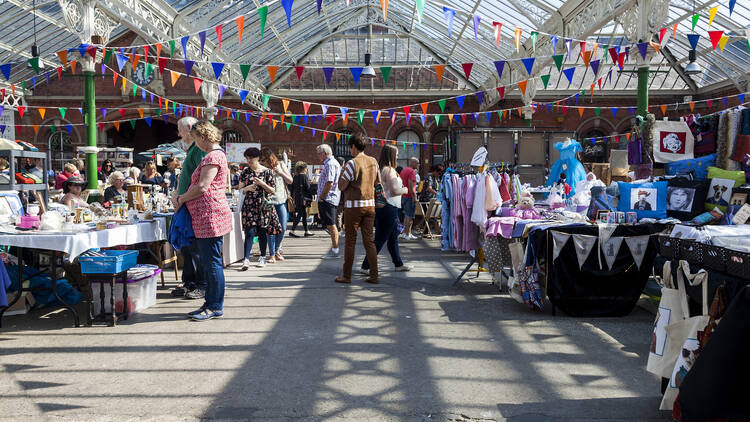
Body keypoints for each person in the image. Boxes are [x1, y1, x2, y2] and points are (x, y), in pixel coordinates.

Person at [174, 121, 232, 321]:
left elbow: (203, 187)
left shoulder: (213, 156)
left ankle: (215, 305)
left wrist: (181, 198)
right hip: (206, 216)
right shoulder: (213, 156)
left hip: (210, 216)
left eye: (196, 138)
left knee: (212, 263)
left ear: (204, 137)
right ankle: (210, 303)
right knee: (209, 263)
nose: (195, 142)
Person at [360, 145, 412, 275]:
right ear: (391, 155)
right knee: (380, 239)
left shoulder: (384, 169)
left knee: (392, 238)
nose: (398, 156)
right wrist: (405, 190)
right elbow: (394, 191)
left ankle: (398, 264)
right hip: (388, 207)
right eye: (397, 154)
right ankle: (365, 266)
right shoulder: (389, 170)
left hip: (387, 207)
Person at [335, 133, 380, 284]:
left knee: (350, 242)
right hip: (370, 206)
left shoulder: (351, 163)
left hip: (353, 207)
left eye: (350, 147)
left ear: (353, 147)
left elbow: (341, 186)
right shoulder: (373, 161)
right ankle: (374, 275)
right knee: (369, 241)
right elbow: (377, 182)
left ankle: (346, 276)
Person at [171, 116, 206, 299]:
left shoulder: (198, 150)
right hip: (186, 203)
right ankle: (190, 281)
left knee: (195, 247)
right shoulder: (192, 149)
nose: (179, 134)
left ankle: (200, 284)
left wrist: (182, 198)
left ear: (190, 128)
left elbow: (201, 181)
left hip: (191, 204)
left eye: (180, 129)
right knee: (187, 246)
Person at [238, 147, 281, 269]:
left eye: (251, 158)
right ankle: (246, 259)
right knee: (249, 231)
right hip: (249, 205)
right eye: (247, 158)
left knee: (262, 232)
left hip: (263, 205)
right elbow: (240, 189)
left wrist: (262, 184)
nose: (249, 160)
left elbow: (273, 190)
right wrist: (247, 188)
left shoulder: (267, 172)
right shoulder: (245, 172)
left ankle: (262, 257)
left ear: (257, 158)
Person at [260, 148, 293, 262]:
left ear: (271, 158)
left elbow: (290, 180)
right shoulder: (262, 169)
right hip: (268, 202)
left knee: (283, 227)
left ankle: (277, 249)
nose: (262, 162)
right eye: (261, 160)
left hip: (281, 200)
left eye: (264, 160)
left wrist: (280, 173)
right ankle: (272, 254)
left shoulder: (281, 165)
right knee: (270, 229)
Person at [316, 144, 342, 259]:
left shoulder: (330, 164)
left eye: (318, 153)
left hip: (328, 198)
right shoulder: (330, 163)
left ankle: (335, 251)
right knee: (330, 225)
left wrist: (322, 197)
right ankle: (334, 249)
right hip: (328, 198)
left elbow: (329, 182)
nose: (318, 156)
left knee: (331, 225)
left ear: (325, 153)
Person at [289, 162, 314, 238]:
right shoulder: (304, 176)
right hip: (303, 198)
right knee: (300, 214)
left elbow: (291, 187)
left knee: (303, 214)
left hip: (297, 198)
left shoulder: (295, 176)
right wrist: (312, 193)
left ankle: (306, 231)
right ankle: (292, 230)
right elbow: (307, 187)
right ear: (304, 169)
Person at [399, 157, 420, 240]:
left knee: (406, 215)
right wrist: (414, 196)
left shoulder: (404, 170)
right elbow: (411, 185)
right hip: (409, 196)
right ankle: (407, 233)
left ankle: (406, 233)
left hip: (404, 195)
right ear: (413, 163)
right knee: (410, 216)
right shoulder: (411, 172)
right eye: (417, 163)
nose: (418, 165)